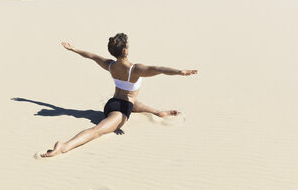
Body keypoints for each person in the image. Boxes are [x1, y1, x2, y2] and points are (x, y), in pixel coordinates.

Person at [39, 33, 197, 158]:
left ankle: (157, 112)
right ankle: (64, 146)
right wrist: (179, 72)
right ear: (126, 50)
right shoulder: (136, 69)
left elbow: (92, 56)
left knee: (134, 102)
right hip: (121, 111)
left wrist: (74, 49)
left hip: (112, 103)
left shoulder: (110, 65)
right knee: (97, 131)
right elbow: (159, 68)